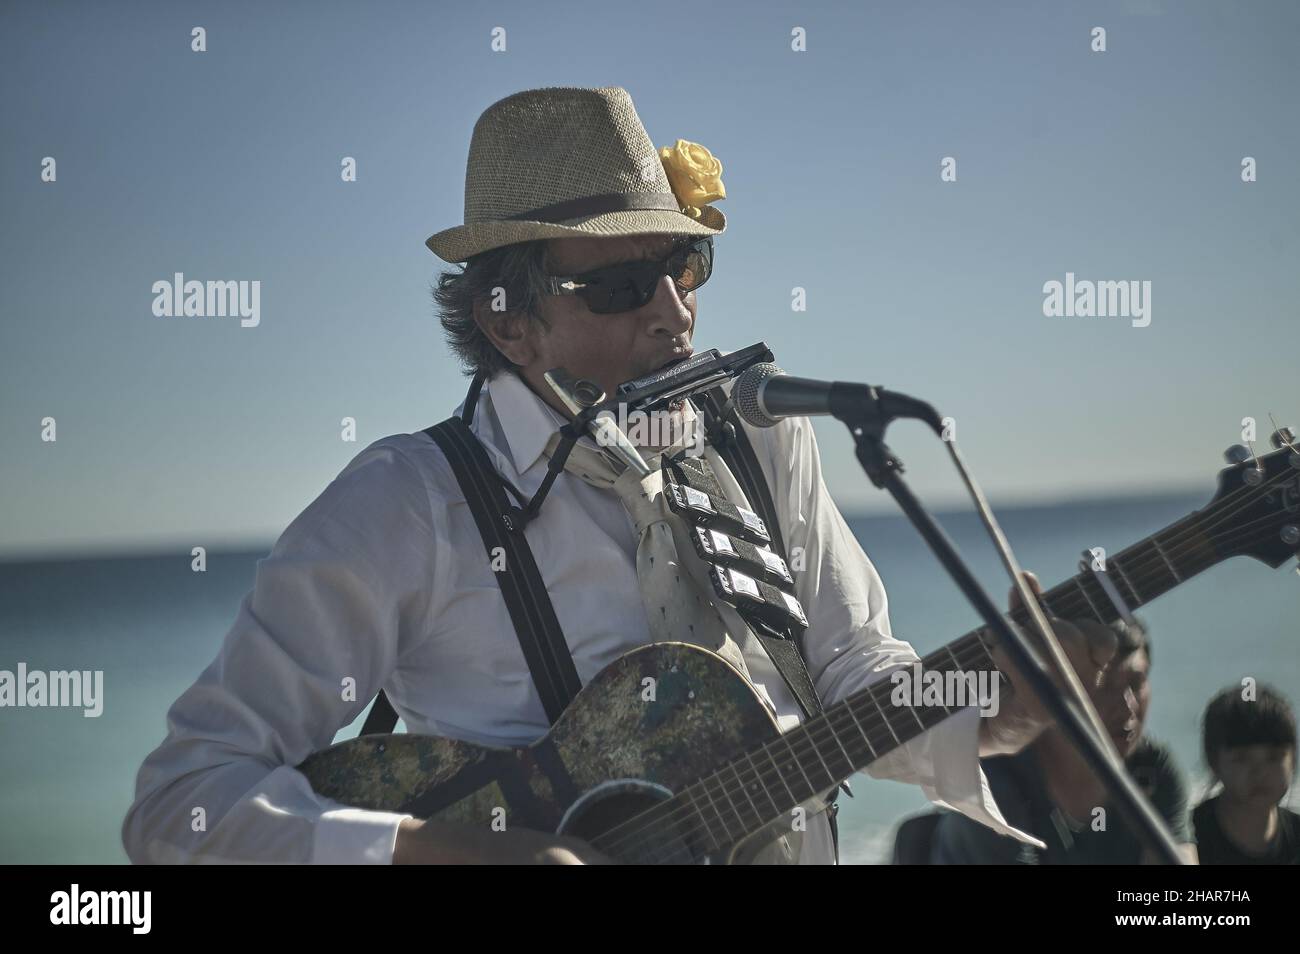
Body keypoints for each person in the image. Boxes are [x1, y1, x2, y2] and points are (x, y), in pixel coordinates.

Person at [122, 86, 1113, 865]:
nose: (675, 317)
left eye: (683, 268)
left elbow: (855, 677)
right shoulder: (400, 507)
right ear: (507, 320)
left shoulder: (762, 442)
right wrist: (437, 854)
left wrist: (994, 704)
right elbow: (183, 804)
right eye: (619, 286)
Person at [928, 618, 1197, 863]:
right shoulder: (995, 780)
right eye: (1106, 686)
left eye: (1136, 683)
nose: (1127, 707)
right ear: (1060, 691)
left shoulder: (1152, 769)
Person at [1193, 684, 1300, 864]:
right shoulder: (1186, 839)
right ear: (1214, 761)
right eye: (1242, 758)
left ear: (1293, 760)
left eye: (1274, 757)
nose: (1260, 772)